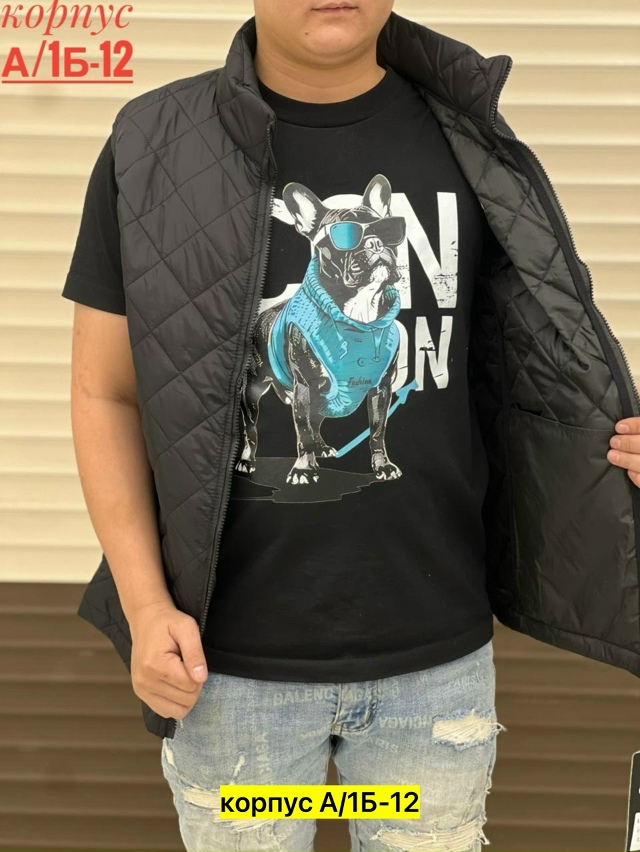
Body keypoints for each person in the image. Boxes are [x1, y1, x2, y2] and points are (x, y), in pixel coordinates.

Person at [62, 2, 640, 850]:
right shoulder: (153, 146)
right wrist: (146, 606)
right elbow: (104, 394)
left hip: (434, 671)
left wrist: (606, 434)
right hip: (231, 675)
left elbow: (529, 362)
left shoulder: (470, 138)